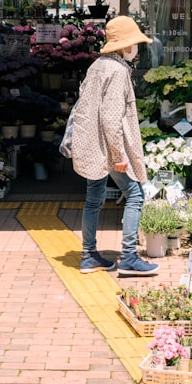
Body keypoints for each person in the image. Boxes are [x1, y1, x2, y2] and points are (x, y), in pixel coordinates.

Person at [70, 15, 159, 276]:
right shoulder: (118, 72)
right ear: (124, 46)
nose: (137, 49)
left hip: (92, 145)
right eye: (135, 44)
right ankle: (129, 257)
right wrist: (119, 155)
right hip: (110, 148)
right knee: (135, 195)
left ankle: (88, 255)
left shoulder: (97, 66)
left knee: (93, 199)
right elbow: (111, 118)